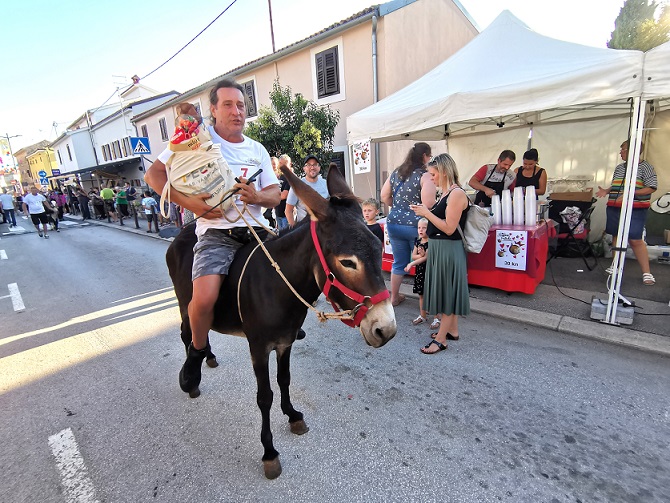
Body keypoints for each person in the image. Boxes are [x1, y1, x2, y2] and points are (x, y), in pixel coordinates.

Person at [144, 79, 280, 394]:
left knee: (295, 273)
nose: (237, 112)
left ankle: (283, 325)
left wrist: (257, 197)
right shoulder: (194, 140)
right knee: (203, 299)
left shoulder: (256, 149)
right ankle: (196, 351)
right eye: (229, 105)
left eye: (242, 105)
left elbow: (274, 193)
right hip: (216, 235)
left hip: (256, 232)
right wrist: (193, 205)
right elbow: (154, 175)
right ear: (214, 110)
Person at [411, 154, 470, 354]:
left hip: (449, 251)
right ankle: (452, 330)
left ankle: (442, 339)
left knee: (447, 295)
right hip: (440, 250)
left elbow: (449, 228)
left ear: (444, 172)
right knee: (447, 292)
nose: (431, 178)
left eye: (433, 174)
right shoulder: (445, 194)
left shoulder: (456, 194)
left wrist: (426, 213)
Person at [380, 142, 436, 307]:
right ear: (425, 156)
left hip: (394, 223)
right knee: (422, 261)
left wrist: (398, 207)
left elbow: (384, 196)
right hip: (416, 226)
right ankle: (426, 301)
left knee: (398, 262)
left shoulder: (397, 173)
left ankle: (394, 297)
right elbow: (429, 203)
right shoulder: (425, 176)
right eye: (430, 156)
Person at [596, 139, 658, 285]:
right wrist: (606, 190)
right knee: (617, 235)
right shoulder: (619, 168)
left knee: (635, 239)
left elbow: (652, 187)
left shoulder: (646, 167)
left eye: (623, 149)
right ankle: (615, 265)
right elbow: (617, 184)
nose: (620, 152)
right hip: (615, 206)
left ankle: (647, 273)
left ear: (634, 151)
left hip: (635, 208)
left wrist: (631, 193)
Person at [404, 218, 439, 329]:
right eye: (419, 227)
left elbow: (427, 258)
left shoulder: (432, 241)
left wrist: (411, 264)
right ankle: (423, 315)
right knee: (421, 294)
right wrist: (421, 255)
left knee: (433, 295)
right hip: (420, 271)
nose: (421, 230)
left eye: (424, 228)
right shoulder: (417, 241)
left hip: (430, 271)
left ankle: (436, 318)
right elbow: (413, 256)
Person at [285, 155, 329, 227]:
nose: (312, 167)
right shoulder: (297, 185)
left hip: (324, 228)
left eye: (315, 164)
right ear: (304, 168)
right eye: (309, 165)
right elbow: (288, 210)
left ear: (319, 167)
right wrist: (294, 228)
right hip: (305, 230)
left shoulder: (326, 184)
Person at [274, 155, 291, 231]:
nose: (282, 165)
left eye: (285, 163)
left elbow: (284, 195)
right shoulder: (280, 177)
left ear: (289, 164)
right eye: (280, 163)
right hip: (278, 213)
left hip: (286, 215)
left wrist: (272, 196)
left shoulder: (290, 178)